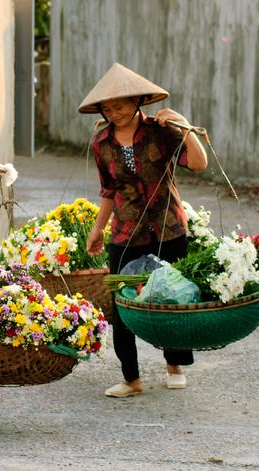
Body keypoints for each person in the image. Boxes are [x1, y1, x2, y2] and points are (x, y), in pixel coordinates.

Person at [79, 63, 208, 398]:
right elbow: (108, 189)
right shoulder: (102, 141)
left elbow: (199, 163)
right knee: (122, 304)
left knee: (174, 297)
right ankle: (131, 378)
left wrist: (183, 125)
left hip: (168, 227)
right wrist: (98, 229)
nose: (113, 112)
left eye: (119, 105)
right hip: (125, 231)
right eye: (107, 108)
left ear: (137, 101)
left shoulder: (161, 130)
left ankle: (174, 364)